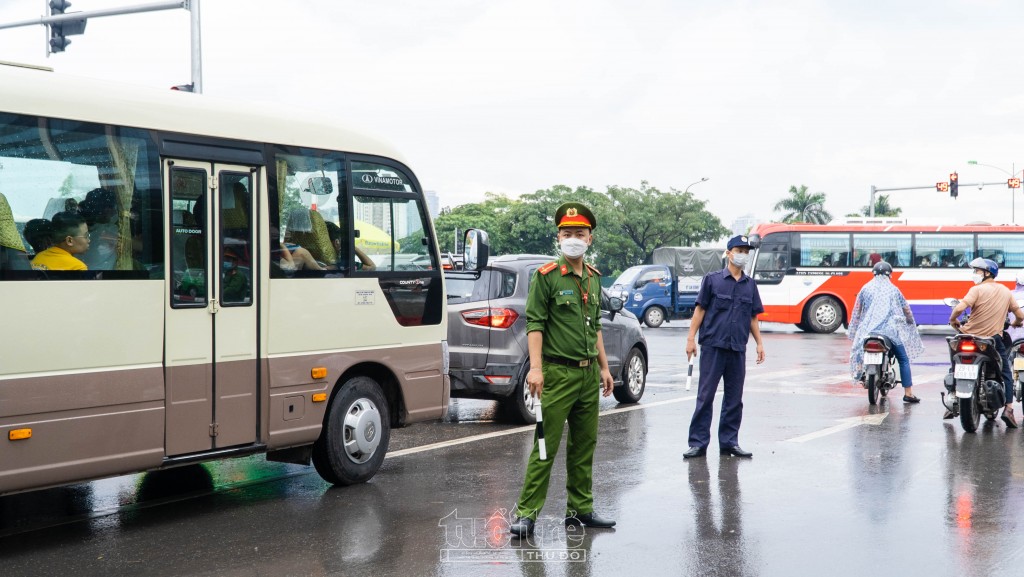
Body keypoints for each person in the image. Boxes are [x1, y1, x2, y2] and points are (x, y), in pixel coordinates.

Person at [509, 202, 616, 538]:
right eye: (567, 233)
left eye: (579, 234)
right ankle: (527, 514)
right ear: (558, 237)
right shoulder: (547, 277)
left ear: (590, 238)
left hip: (587, 377)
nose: (573, 239)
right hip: (557, 374)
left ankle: (580, 509)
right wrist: (536, 369)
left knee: (585, 445)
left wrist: (604, 367)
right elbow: (536, 324)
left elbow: (595, 325)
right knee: (545, 445)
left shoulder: (594, 279)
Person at [683, 235, 766, 460]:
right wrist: (690, 339)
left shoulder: (750, 285)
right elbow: (699, 310)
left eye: (746, 251)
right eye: (739, 250)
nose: (743, 255)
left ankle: (729, 442)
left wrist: (759, 343)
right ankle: (698, 443)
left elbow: (752, 317)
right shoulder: (712, 280)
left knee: (734, 398)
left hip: (737, 348)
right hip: (713, 346)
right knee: (706, 396)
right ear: (728, 253)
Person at [948, 258, 1024, 426]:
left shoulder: (976, 290)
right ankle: (1009, 409)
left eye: (977, 271)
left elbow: (960, 308)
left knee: (955, 361)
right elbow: (1020, 316)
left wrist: (953, 320)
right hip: (991, 339)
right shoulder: (1005, 291)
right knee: (1006, 373)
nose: (974, 274)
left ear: (987, 273)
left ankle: (952, 394)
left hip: (967, 335)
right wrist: (1016, 323)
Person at [847, 262, 924, 402]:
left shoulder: (865, 288)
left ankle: (861, 374)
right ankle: (908, 393)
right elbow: (906, 309)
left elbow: (857, 311)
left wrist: (854, 328)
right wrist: (910, 320)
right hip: (889, 332)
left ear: (873, 274)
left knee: (858, 351)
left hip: (868, 332)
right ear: (890, 274)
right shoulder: (893, 289)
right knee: (903, 359)